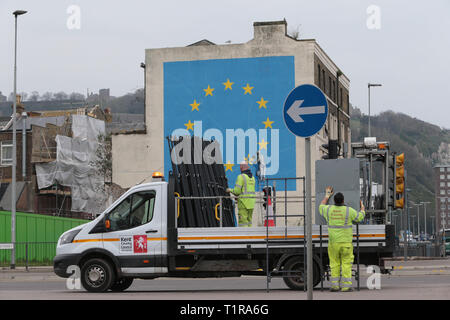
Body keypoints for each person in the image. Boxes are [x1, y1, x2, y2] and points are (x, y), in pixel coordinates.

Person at [319, 186, 365, 292]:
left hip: (333, 243)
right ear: (343, 200)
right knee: (346, 264)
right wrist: (362, 208)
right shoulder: (349, 211)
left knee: (334, 264)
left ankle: (335, 286)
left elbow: (321, 206)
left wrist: (327, 195)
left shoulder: (329, 209)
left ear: (334, 201)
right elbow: (360, 218)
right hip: (346, 243)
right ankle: (346, 286)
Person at [226, 162, 256, 227]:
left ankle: (244, 236)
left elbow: (237, 191)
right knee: (249, 221)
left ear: (242, 167)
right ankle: (250, 235)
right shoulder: (252, 178)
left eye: (240, 167)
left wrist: (229, 190)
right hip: (251, 203)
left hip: (243, 203)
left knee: (243, 222)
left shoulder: (241, 177)